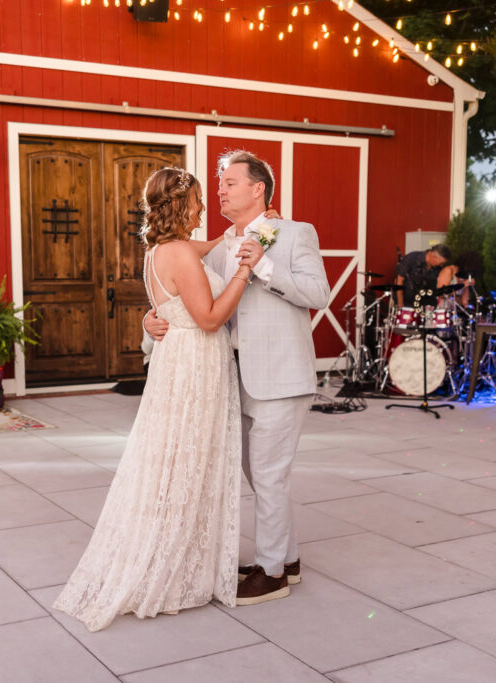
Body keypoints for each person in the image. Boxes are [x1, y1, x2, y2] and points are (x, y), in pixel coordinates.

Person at [53, 168, 250, 632]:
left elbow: (204, 252)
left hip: (174, 362)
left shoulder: (159, 250)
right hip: (195, 362)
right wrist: (244, 270)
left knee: (174, 461)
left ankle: (181, 557)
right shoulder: (179, 252)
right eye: (198, 200)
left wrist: (238, 238)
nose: (203, 207)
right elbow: (209, 319)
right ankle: (176, 569)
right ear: (181, 206)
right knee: (189, 461)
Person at [144, 150, 329, 606]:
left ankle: (271, 573)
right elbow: (193, 304)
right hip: (231, 378)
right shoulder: (221, 243)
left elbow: (319, 294)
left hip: (281, 377)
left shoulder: (294, 233)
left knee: (267, 473)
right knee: (258, 473)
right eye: (219, 185)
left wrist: (264, 267)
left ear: (257, 188)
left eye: (228, 183)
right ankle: (286, 557)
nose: (220, 191)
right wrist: (151, 323)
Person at [395, 244, 456, 308]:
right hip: (406, 301)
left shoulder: (439, 268)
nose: (441, 265)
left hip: (425, 305)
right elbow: (399, 282)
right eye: (441, 263)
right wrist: (400, 305)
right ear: (434, 256)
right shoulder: (412, 258)